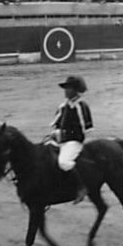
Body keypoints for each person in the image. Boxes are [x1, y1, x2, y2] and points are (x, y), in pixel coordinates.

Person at [50, 75, 92, 203]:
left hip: (74, 142)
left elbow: (86, 129)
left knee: (63, 162)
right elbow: (56, 124)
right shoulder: (63, 106)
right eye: (65, 88)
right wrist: (55, 133)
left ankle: (81, 187)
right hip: (62, 140)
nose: (66, 91)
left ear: (75, 90)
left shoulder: (81, 106)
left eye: (68, 88)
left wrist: (70, 137)